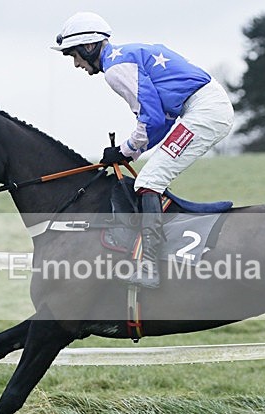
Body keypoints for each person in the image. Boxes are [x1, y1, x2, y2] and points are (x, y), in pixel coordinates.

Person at [53, 12, 234, 289]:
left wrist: (125, 149)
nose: (76, 64)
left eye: (74, 55)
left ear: (89, 47)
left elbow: (151, 119)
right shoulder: (124, 57)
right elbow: (160, 121)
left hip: (205, 111)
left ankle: (149, 265)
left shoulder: (115, 69)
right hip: (203, 108)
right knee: (150, 178)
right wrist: (130, 153)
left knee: (149, 181)